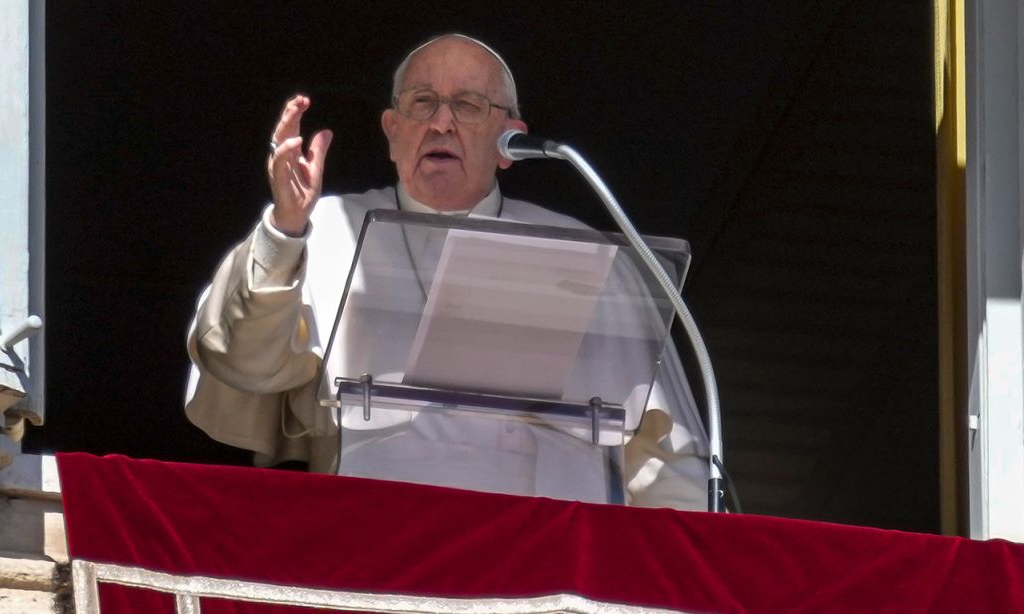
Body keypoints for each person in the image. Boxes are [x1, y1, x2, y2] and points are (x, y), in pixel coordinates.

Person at [184, 33, 708, 508]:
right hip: (380, 554)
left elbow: (670, 462)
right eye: (423, 102)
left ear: (510, 141)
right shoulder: (322, 232)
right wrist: (285, 231)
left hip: (551, 574)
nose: (441, 121)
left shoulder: (589, 255)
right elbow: (239, 361)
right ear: (393, 132)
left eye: (468, 105)